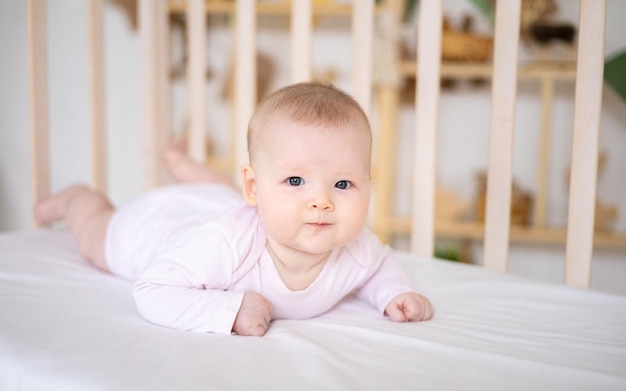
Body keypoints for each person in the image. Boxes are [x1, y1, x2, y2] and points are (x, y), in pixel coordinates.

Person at [35, 82, 434, 337]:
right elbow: (152, 290)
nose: (322, 201)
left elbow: (381, 267)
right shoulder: (227, 243)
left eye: (343, 184)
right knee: (95, 232)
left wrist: (395, 293)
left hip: (222, 205)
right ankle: (74, 198)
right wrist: (229, 309)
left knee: (224, 196)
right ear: (255, 187)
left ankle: (184, 167)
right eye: (295, 181)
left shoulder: (356, 246)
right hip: (157, 227)